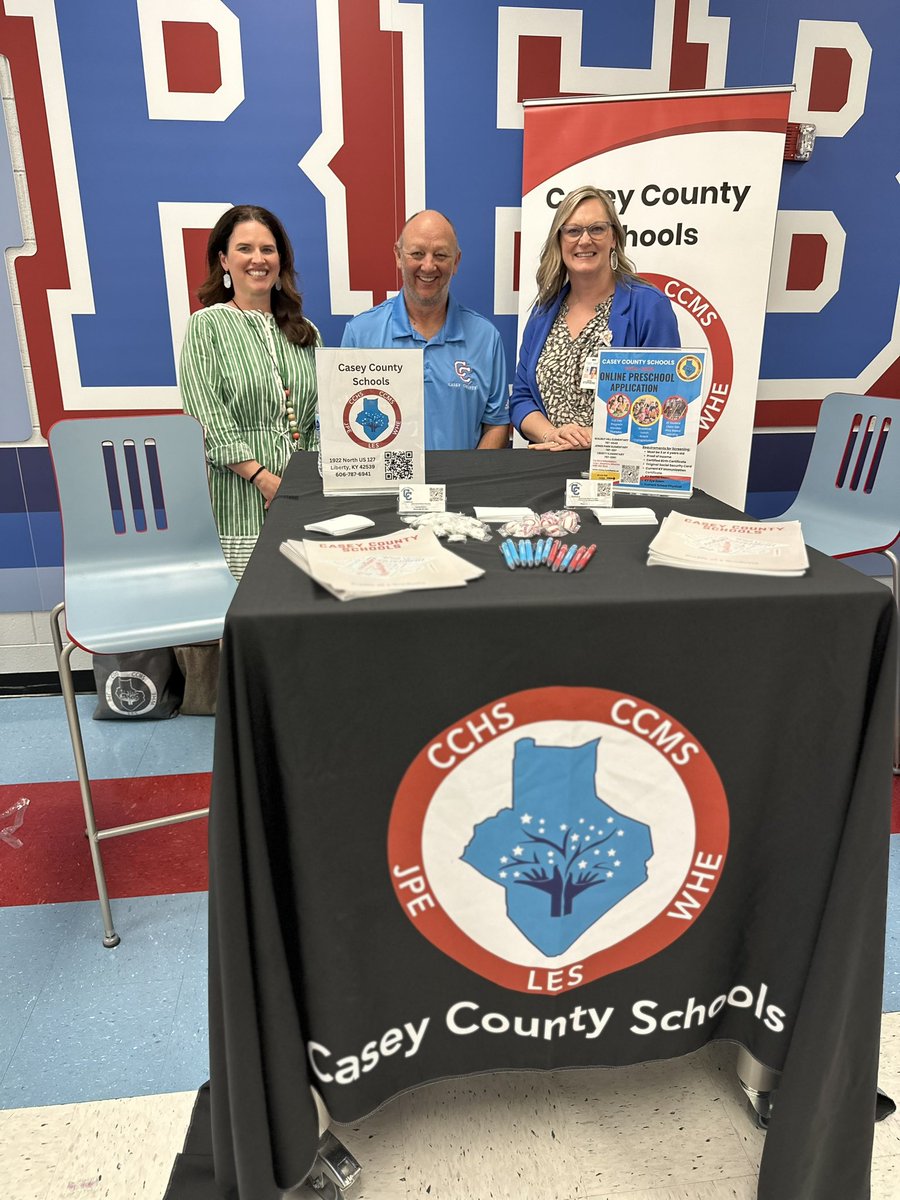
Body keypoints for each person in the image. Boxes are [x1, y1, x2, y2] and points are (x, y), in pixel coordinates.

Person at [179, 205, 320, 579]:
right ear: (223, 260)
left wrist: (305, 481)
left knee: (306, 608)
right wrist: (265, 479)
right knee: (251, 610)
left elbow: (324, 417)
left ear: (281, 262)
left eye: (268, 249)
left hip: (305, 497)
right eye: (245, 249)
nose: (258, 259)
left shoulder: (307, 332)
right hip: (241, 499)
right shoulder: (205, 326)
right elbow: (207, 420)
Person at [510, 185, 680, 450]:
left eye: (597, 229)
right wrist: (551, 434)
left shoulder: (649, 307)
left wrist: (594, 436)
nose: (584, 240)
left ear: (614, 237)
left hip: (618, 468)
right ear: (560, 240)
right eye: (573, 231)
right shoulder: (544, 311)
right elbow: (521, 397)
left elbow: (665, 402)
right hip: (547, 464)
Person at [341, 210, 510, 450]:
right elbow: (345, 426)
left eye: (440, 255)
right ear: (398, 256)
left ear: (456, 262)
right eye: (417, 254)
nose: (428, 266)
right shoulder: (361, 334)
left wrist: (469, 484)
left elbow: (496, 424)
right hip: (386, 486)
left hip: (460, 485)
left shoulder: (486, 338)